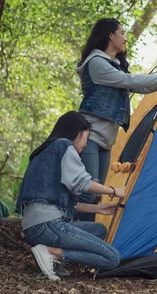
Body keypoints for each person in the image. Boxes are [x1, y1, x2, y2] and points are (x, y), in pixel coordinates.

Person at [75, 18, 157, 220]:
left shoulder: (114, 66)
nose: (125, 39)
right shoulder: (96, 64)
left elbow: (139, 86)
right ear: (111, 35)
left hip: (107, 140)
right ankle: (68, 236)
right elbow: (131, 81)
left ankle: (85, 239)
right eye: (122, 33)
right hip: (90, 136)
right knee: (87, 191)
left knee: (96, 196)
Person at [16, 111, 126, 281]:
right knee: (112, 258)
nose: (86, 144)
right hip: (49, 225)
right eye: (86, 138)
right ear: (77, 133)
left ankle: (52, 253)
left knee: (99, 230)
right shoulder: (64, 145)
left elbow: (59, 203)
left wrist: (98, 208)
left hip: (36, 226)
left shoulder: (45, 152)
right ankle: (51, 252)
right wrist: (113, 191)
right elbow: (82, 183)